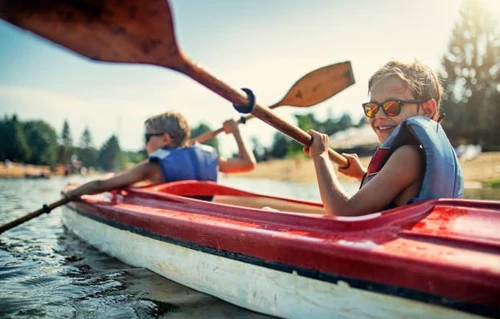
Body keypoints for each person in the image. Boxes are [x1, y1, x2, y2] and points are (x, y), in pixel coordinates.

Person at [304, 60, 463, 216]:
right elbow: (397, 187)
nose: (379, 116)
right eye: (372, 108)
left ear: (427, 109)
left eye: (392, 106)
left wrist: (320, 156)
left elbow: (342, 212)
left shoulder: (408, 156)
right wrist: (363, 174)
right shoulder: (414, 155)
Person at [63, 111, 256, 199]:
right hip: (208, 217)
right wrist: (236, 132)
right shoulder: (210, 158)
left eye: (147, 137)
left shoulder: (152, 167)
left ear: (165, 139)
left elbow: (100, 185)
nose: (144, 142)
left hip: (176, 222)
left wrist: (71, 193)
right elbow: (248, 164)